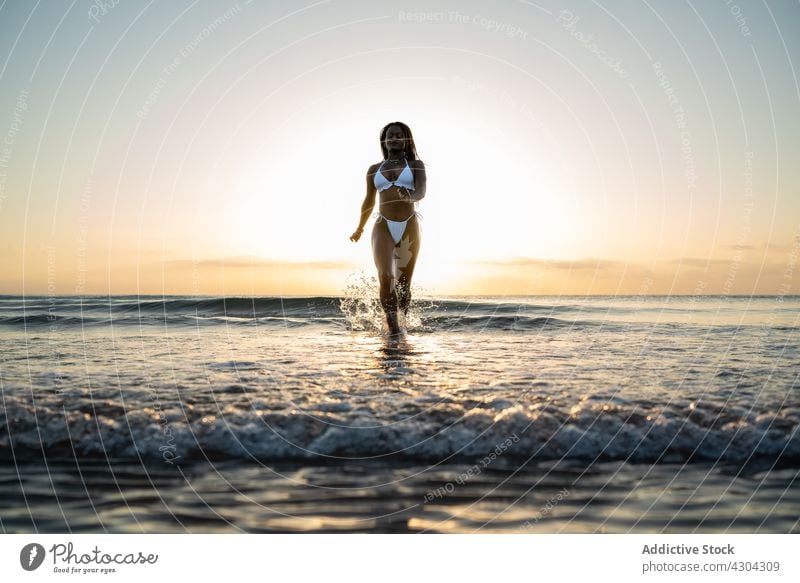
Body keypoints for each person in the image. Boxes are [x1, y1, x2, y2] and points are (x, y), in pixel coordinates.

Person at [350, 121, 427, 335]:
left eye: (398, 135)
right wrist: (359, 229)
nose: (394, 138)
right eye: (390, 135)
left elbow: (421, 191)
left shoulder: (415, 165)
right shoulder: (374, 170)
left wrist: (409, 196)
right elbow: (368, 202)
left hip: (409, 226)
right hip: (382, 225)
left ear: (406, 140)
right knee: (385, 276)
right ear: (384, 140)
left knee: (403, 285)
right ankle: (393, 330)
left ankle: (402, 322)